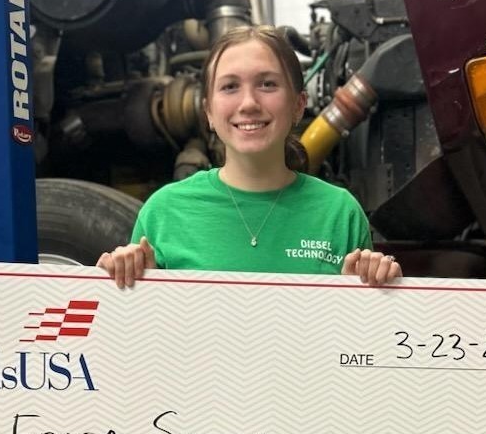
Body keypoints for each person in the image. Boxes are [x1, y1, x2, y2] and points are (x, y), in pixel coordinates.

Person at [97, 25, 402, 287]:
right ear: (209, 112)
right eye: (230, 87)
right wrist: (123, 284)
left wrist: (368, 292)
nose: (249, 103)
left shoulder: (339, 213)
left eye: (267, 84)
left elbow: (353, 345)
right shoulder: (164, 212)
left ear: (298, 105)